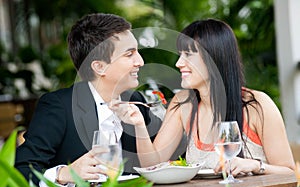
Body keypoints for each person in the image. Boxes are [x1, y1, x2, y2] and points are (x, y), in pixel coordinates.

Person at [111, 18, 295, 176]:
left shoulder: (256, 105)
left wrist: (256, 166)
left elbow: (289, 172)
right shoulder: (183, 104)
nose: (179, 63)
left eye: (188, 55)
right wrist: (139, 126)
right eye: (179, 54)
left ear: (214, 58)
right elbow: (152, 164)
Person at [15, 13, 161, 187]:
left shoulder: (135, 101)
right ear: (99, 66)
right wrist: (64, 174)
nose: (140, 61)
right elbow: (20, 171)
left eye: (137, 52)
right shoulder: (59, 106)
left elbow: (161, 162)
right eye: (129, 54)